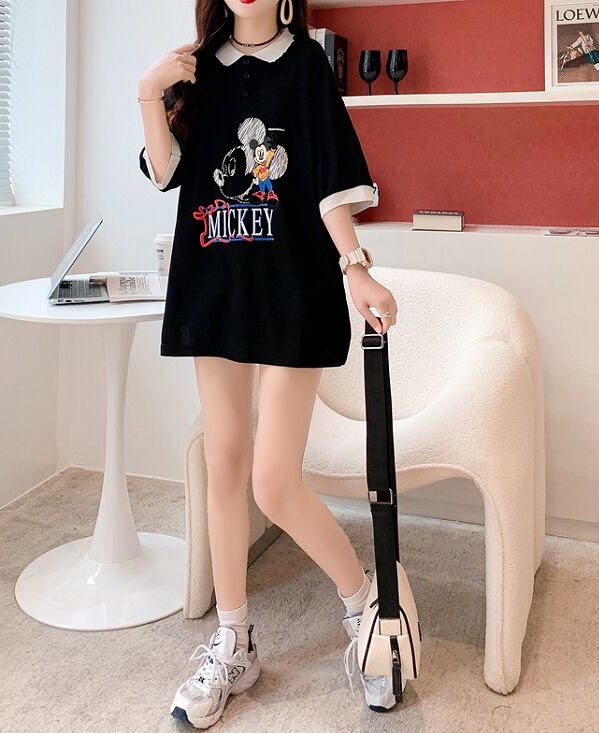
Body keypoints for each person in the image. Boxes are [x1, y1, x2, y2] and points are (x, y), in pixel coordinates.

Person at [138, 0, 399, 728]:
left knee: (274, 482)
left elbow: (328, 179)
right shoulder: (194, 71)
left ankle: (368, 606)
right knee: (223, 462)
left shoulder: (307, 64)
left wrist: (356, 268)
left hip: (293, 289)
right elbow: (166, 171)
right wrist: (148, 93)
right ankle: (235, 642)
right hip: (214, 285)